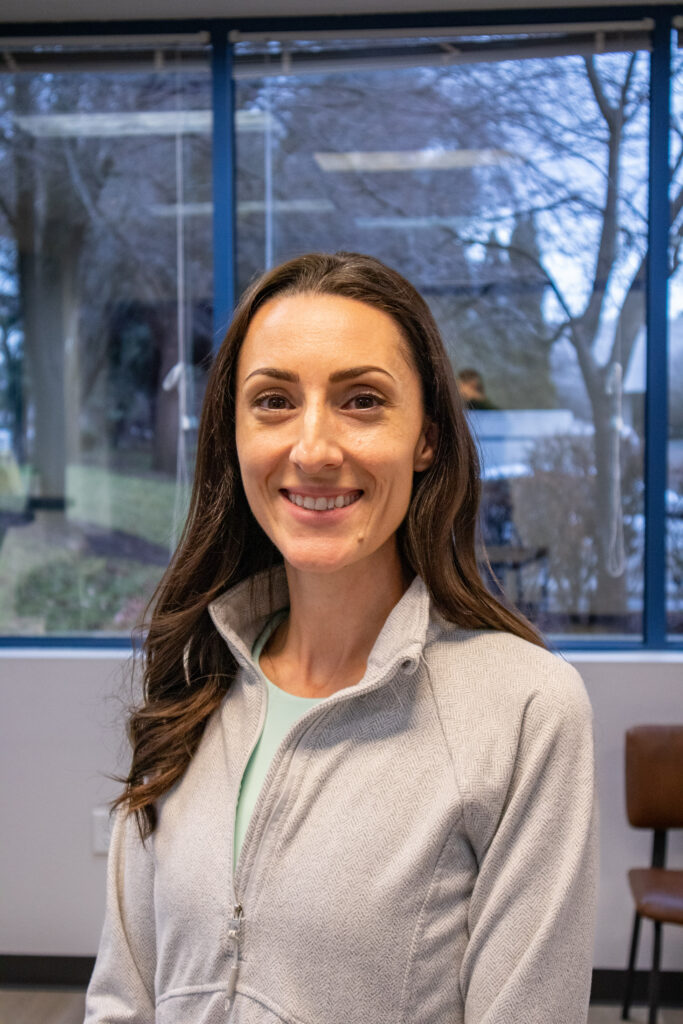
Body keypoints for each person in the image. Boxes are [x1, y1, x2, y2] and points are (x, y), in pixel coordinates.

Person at [85, 252, 598, 1024]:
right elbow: (122, 1000)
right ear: (233, 435)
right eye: (273, 402)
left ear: (426, 437)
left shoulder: (523, 710)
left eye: (361, 401)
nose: (315, 448)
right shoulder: (191, 680)